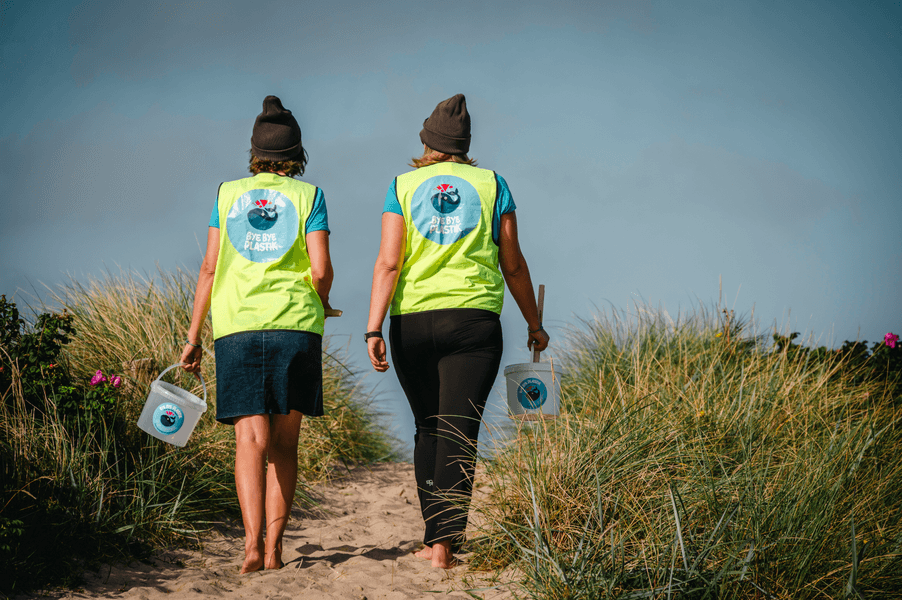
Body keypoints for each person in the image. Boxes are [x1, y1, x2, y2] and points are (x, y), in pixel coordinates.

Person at [366, 94, 549, 568]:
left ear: (426, 141)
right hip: (472, 322)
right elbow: (513, 263)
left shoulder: (401, 186)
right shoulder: (492, 184)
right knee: (458, 429)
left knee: (427, 427)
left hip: (410, 321)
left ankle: (435, 536)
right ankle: (443, 543)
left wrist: (373, 326)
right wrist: (534, 321)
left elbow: (389, 262)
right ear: (465, 147)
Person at [180, 95, 333, 573]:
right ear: (297, 155)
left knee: (250, 441)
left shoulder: (226, 195)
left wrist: (192, 337)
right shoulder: (310, 196)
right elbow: (321, 268)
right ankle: (274, 549)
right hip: (295, 327)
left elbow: (208, 268)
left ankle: (248, 547)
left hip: (237, 328)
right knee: (285, 444)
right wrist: (322, 301)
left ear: (255, 152)